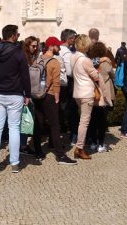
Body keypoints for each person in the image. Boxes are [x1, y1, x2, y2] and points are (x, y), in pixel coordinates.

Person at [0, 24, 30, 173]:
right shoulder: (19, 53)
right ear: (12, 36)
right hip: (14, 94)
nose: (18, 37)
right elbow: (25, 76)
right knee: (14, 128)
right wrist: (28, 94)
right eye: (17, 34)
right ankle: (14, 163)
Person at [31, 37, 76, 165]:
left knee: (38, 124)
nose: (59, 48)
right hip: (49, 95)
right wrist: (57, 97)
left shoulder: (38, 59)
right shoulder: (54, 61)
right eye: (57, 46)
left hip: (37, 94)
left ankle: (38, 152)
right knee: (55, 125)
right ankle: (60, 155)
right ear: (51, 46)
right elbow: (56, 83)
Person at [69, 34, 99, 159]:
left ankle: (80, 145)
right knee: (84, 122)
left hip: (77, 92)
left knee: (82, 121)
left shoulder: (73, 57)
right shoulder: (85, 60)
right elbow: (95, 76)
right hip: (86, 93)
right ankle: (79, 148)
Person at [86, 42, 115, 153]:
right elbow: (113, 75)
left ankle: (93, 142)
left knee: (92, 119)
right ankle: (101, 144)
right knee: (102, 121)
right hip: (104, 94)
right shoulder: (106, 63)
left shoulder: (89, 62)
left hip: (93, 93)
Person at [58, 29, 77, 144]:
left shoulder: (58, 49)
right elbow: (70, 72)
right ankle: (73, 135)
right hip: (67, 84)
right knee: (72, 110)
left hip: (58, 84)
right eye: (74, 38)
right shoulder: (67, 52)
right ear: (69, 39)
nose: (75, 40)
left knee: (60, 110)